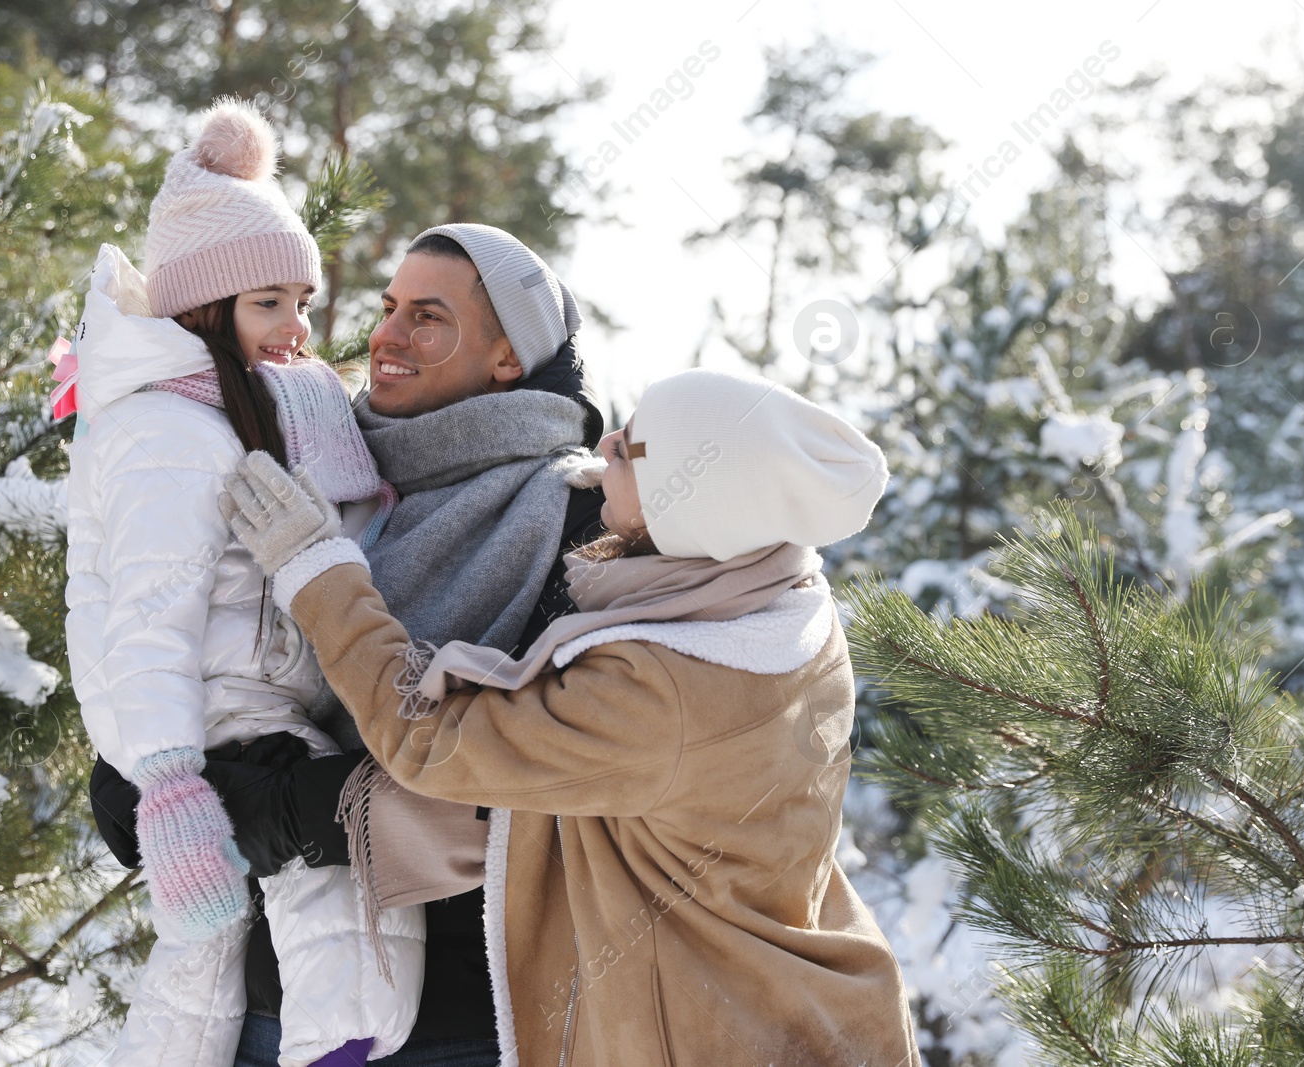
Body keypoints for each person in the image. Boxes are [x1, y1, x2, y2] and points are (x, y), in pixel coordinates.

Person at [222, 367, 923, 1066]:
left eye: (631, 450)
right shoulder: (786, 601)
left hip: (698, 1035)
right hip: (789, 996)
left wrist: (318, 572)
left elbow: (428, 741)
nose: (608, 441)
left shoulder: (661, 695)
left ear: (687, 506)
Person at [89, 221, 607, 1067]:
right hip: (265, 1003)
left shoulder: (574, 521)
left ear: (509, 357)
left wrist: (270, 810)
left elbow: (526, 782)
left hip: (461, 1019)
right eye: (388, 305)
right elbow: (174, 708)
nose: (387, 335)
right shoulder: (315, 467)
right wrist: (152, 783)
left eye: (427, 317)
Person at [64, 101, 422, 1067]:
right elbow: (140, 618)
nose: (298, 327)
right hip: (219, 723)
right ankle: (340, 1049)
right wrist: (169, 777)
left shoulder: (250, 410)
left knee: (211, 938)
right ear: (203, 308)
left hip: (260, 712)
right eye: (271, 303)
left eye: (304, 303)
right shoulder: (166, 434)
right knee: (338, 890)